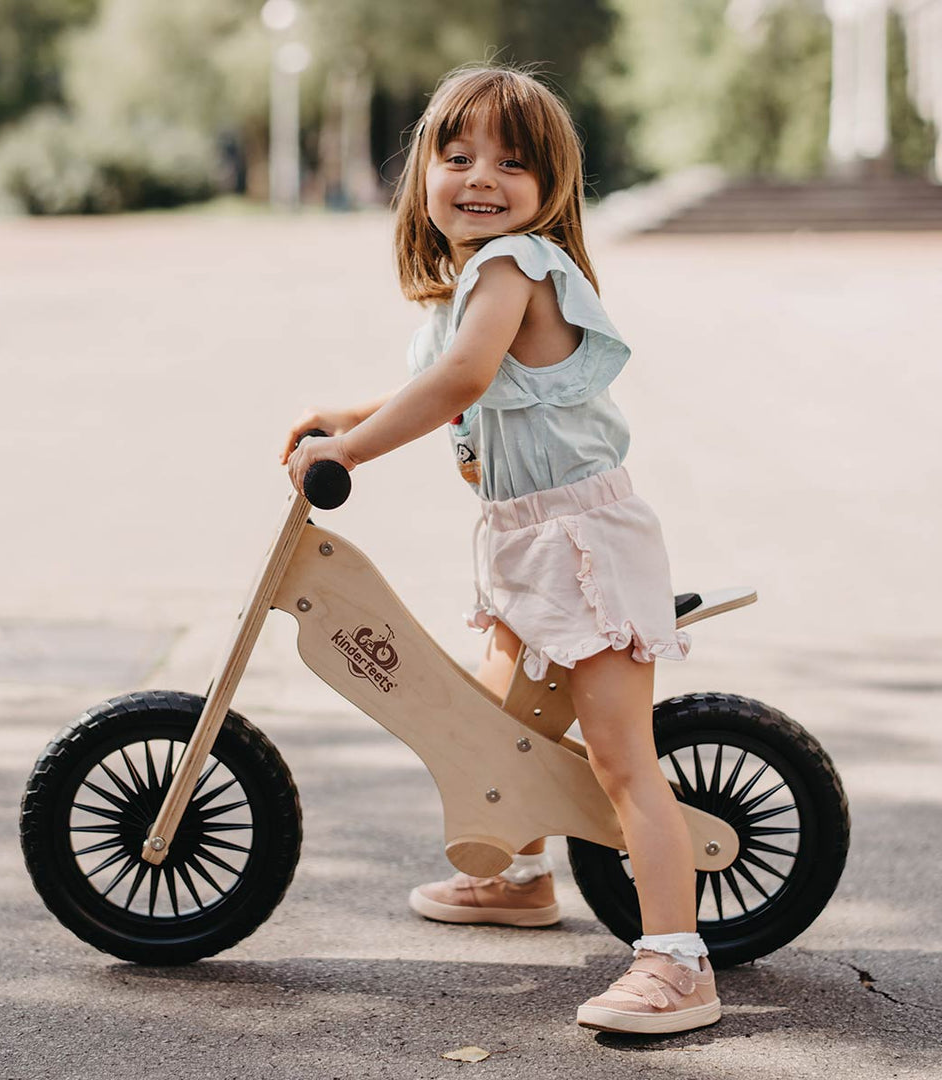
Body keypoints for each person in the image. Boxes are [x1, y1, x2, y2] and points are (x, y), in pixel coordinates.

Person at [280, 64, 720, 1036]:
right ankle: (520, 874)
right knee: (493, 723)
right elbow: (454, 375)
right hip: (526, 542)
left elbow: (464, 379)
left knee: (619, 759)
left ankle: (678, 962)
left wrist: (348, 451)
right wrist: (345, 414)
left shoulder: (514, 266)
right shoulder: (463, 290)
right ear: (423, 173)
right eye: (458, 153)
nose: (482, 176)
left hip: (583, 540)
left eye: (513, 162)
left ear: (550, 187)